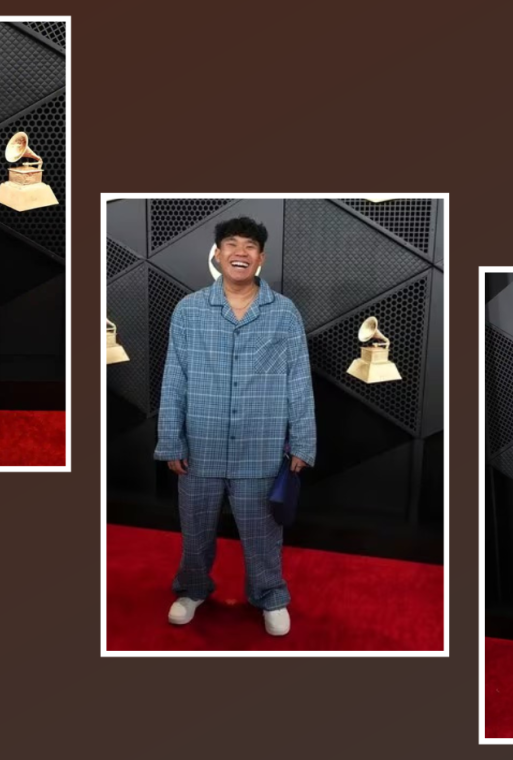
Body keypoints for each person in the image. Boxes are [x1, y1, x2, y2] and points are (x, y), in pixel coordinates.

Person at [154, 216, 317, 636]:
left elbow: (298, 379)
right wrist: (171, 441)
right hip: (200, 446)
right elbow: (174, 378)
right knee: (195, 529)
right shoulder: (189, 310)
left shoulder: (283, 313)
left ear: (260, 258)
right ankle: (191, 589)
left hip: (261, 447)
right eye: (231, 244)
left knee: (263, 533)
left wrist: (302, 441)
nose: (239, 252)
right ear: (218, 254)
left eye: (249, 246)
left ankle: (270, 596)